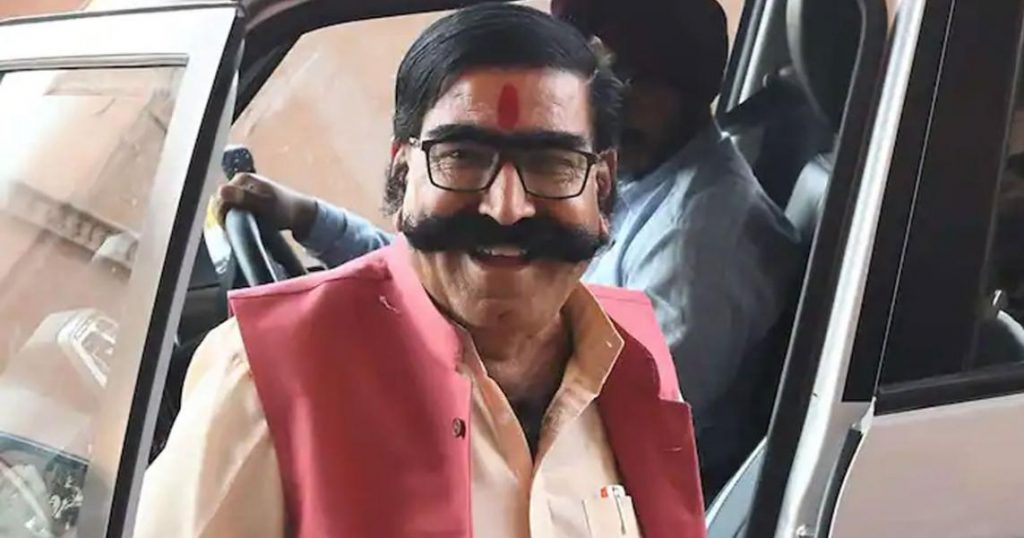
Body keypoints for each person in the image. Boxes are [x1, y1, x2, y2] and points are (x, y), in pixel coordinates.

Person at [138, 5, 706, 537]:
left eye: (551, 163)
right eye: (462, 158)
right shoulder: (263, 376)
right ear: (402, 172)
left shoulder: (635, 361)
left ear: (600, 188)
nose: (506, 208)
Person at [219, 0, 801, 496]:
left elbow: (598, 428)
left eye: (623, 82)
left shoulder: (701, 245)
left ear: (686, 89)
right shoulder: (628, 179)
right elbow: (454, 275)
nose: (600, 104)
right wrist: (310, 219)